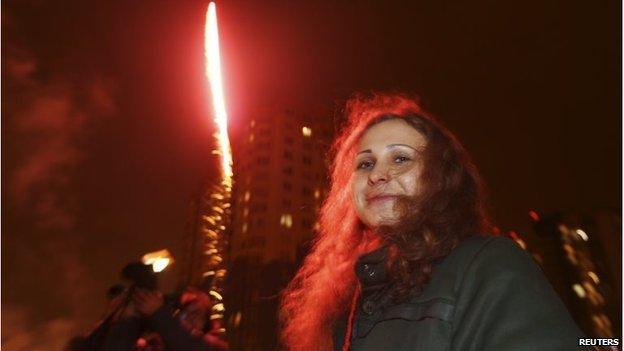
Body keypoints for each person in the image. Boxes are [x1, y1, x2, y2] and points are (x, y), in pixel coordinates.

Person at [279, 92, 586, 351]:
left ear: (440, 178)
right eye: (366, 163)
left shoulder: (487, 263)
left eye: (400, 158)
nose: (377, 174)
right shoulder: (341, 303)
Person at [100, 286, 229, 351]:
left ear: (207, 322)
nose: (188, 318)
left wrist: (158, 313)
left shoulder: (213, 346)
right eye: (183, 312)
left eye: (196, 313)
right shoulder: (152, 344)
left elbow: (192, 345)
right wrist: (127, 319)